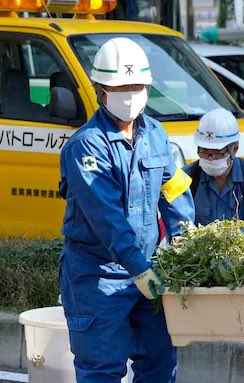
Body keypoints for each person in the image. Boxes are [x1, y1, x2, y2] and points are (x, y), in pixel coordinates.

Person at [58, 37, 195, 383]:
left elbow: (174, 187)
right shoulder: (86, 147)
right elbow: (106, 217)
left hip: (148, 271)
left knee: (160, 365)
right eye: (121, 87)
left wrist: (184, 239)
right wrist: (137, 267)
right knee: (102, 370)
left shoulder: (155, 134)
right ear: (101, 90)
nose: (130, 95)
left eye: (137, 86)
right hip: (98, 276)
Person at [183, 108, 244, 237]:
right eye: (204, 152)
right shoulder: (188, 176)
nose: (210, 158)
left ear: (234, 150)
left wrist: (227, 239)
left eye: (216, 154)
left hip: (243, 252)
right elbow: (180, 225)